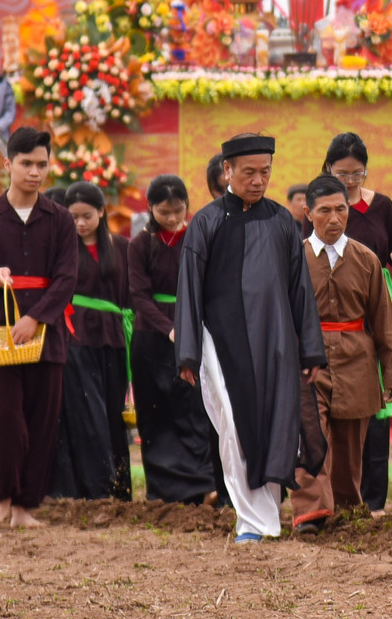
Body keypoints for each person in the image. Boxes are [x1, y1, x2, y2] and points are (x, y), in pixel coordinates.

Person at [175, 133, 326, 543]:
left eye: (265, 172)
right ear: (227, 171)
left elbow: (300, 289)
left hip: (275, 340)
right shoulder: (205, 223)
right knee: (234, 425)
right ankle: (251, 521)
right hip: (220, 344)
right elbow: (188, 289)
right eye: (249, 173)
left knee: (274, 423)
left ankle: (259, 522)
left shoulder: (281, 220)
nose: (258, 181)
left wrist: (310, 347)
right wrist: (187, 353)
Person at [0, 127, 79, 528]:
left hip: (47, 337)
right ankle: (1, 500)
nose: (34, 172)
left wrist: (35, 318)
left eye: (42, 164)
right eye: (26, 163)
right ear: (8, 164)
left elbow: (67, 279)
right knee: (1, 419)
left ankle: (27, 507)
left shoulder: (61, 219)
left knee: (42, 419)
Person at [289, 175, 392, 533]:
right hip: (307, 361)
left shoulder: (367, 259)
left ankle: (344, 509)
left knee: (350, 444)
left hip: (357, 358)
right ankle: (310, 512)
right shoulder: (293, 259)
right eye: (325, 211)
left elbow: (383, 318)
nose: (334, 218)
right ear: (309, 213)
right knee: (311, 436)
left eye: (341, 209)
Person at [323, 131, 392, 517]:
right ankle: (338, 494)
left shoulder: (382, 206)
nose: (349, 182)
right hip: (335, 316)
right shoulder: (323, 208)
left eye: (356, 174)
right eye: (342, 174)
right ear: (328, 170)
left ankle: (374, 499)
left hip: (376, 311)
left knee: (379, 404)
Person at [126, 175, 221, 503]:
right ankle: (162, 489)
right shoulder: (140, 244)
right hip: (151, 339)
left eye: (178, 211)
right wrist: (168, 328)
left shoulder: (196, 238)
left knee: (194, 409)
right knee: (155, 413)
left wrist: (189, 326)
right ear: (150, 208)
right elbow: (138, 295)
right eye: (164, 212)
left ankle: (203, 484)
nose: (171, 218)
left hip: (192, 332)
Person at [51, 181, 133, 501]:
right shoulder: (62, 250)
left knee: (114, 413)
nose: (80, 223)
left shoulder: (123, 247)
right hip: (76, 338)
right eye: (73, 217)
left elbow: (130, 295)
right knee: (88, 413)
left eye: (87, 216)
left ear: (102, 212)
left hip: (113, 337)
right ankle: (96, 488)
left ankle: (120, 489)